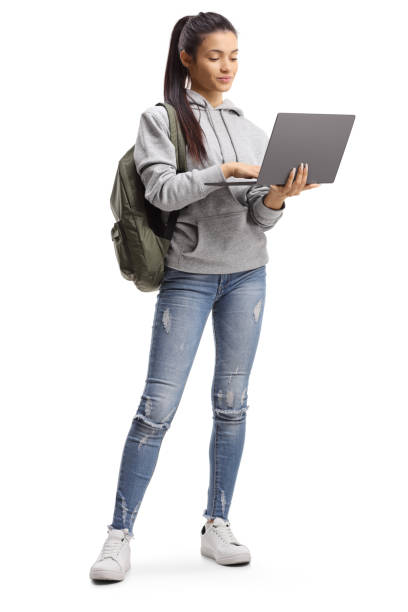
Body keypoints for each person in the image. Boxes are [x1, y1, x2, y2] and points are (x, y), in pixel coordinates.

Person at [90, 11, 320, 582]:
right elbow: (162, 191)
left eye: (235, 56)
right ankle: (119, 533)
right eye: (215, 56)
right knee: (156, 409)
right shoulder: (160, 118)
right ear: (187, 58)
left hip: (248, 276)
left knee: (232, 405)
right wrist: (224, 171)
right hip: (189, 277)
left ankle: (217, 522)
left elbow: (258, 220)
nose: (227, 67)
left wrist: (278, 198)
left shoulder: (251, 126)